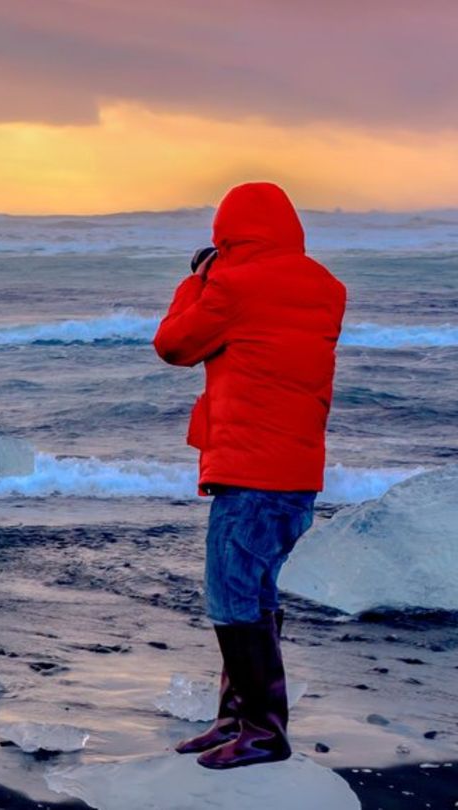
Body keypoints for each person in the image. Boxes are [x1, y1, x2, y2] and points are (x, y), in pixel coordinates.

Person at [153, 182, 346, 770]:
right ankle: (239, 718)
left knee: (230, 595)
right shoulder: (325, 287)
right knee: (256, 591)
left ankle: (262, 730)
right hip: (296, 472)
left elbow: (174, 345)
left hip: (250, 470)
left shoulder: (232, 285)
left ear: (226, 234)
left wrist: (198, 280)